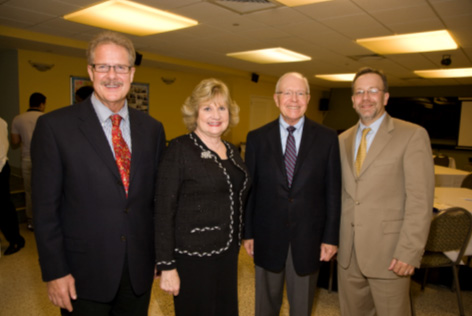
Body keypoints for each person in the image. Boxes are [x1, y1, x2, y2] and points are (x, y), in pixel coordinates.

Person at [31, 31, 166, 315]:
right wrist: (55, 272)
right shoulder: (55, 127)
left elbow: (155, 201)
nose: (112, 75)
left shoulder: (152, 129)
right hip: (82, 273)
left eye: (120, 67)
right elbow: (45, 210)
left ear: (132, 73)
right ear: (90, 71)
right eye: (103, 66)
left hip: (138, 270)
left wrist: (160, 256)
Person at [337, 67, 434, 316]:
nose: (365, 97)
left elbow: (420, 200)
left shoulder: (412, 135)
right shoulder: (342, 140)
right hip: (348, 256)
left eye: (372, 91)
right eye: (359, 92)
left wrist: (409, 252)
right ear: (352, 100)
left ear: (386, 97)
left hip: (391, 255)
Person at [243, 72, 341, 316]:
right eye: (287, 92)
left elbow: (333, 191)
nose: (293, 99)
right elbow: (249, 191)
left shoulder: (327, 138)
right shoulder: (256, 138)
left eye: (300, 93)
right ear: (276, 99)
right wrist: (248, 233)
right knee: (265, 307)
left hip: (309, 239)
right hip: (266, 237)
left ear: (308, 98)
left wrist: (330, 237)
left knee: (301, 309)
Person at [155, 78, 250, 316]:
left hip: (227, 255)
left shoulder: (231, 151)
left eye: (221, 108)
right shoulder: (180, 149)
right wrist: (166, 265)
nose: (215, 114)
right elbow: (163, 209)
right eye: (207, 108)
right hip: (192, 258)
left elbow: (236, 197)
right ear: (195, 113)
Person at [11, 92, 46, 231]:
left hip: (26, 158)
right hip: (43, 160)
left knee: (29, 191)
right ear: (42, 104)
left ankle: (30, 220)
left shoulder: (18, 119)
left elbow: (14, 141)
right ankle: (44, 219)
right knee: (44, 190)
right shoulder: (46, 118)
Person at [0, 117, 25, 255]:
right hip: (2, 166)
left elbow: (1, 149)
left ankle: (15, 240)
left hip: (0, 167)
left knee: (4, 207)